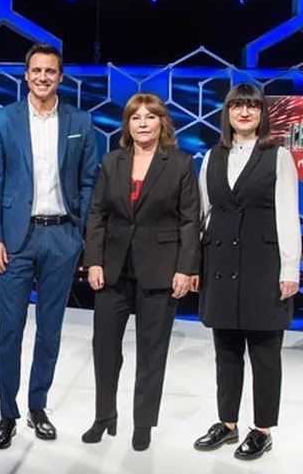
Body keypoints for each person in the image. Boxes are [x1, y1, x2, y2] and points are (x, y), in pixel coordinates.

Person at [0, 43, 98, 449]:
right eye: (37, 71)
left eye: (51, 71)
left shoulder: (81, 121)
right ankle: (7, 413)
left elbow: (88, 181)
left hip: (61, 237)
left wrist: (79, 233)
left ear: (60, 77)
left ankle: (38, 406)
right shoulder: (3, 119)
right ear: (26, 75)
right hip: (15, 239)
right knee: (9, 330)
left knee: (50, 330)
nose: (44, 77)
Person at [82, 92, 200, 451]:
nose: (143, 123)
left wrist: (185, 268)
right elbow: (97, 214)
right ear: (127, 124)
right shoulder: (111, 161)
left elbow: (190, 220)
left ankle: (143, 424)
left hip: (160, 271)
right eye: (136, 117)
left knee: (151, 352)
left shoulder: (180, 163)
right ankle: (104, 416)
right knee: (105, 349)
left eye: (150, 117)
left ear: (162, 123)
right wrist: (94, 260)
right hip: (113, 271)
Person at [192, 83, 301, 460]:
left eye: (251, 107)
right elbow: (205, 215)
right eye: (237, 106)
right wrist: (196, 265)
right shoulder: (211, 156)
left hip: (263, 264)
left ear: (261, 114)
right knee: (226, 350)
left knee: (265, 351)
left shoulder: (279, 156)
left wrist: (290, 269)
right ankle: (227, 423)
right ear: (227, 112)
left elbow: (288, 213)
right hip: (220, 264)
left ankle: (262, 429)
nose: (244, 112)